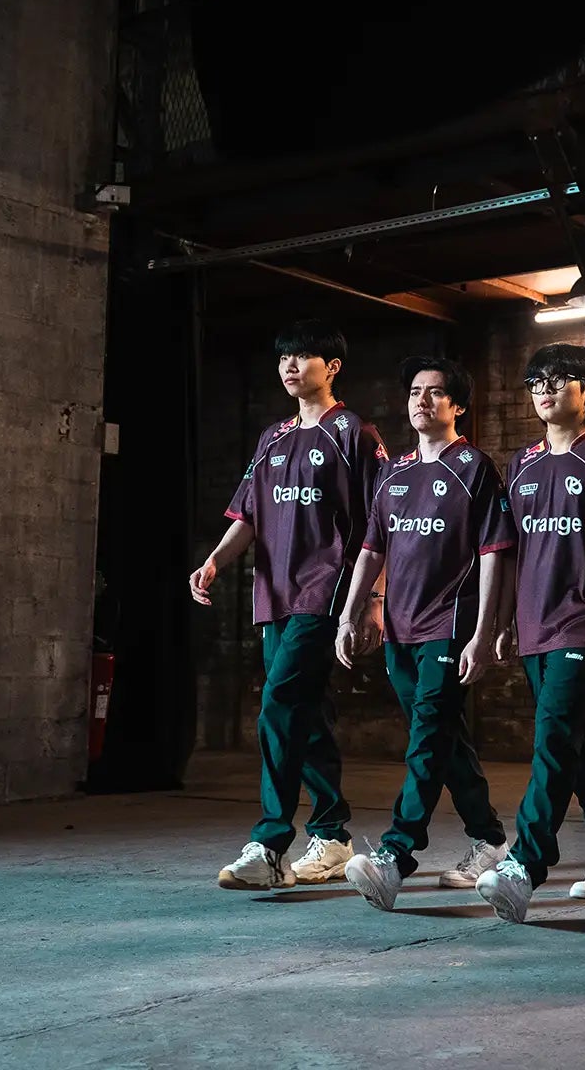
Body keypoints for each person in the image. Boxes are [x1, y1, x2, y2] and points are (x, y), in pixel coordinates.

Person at [193, 320, 386, 890]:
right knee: (307, 710)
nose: (291, 366)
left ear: (333, 367)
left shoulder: (354, 433)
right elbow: (248, 514)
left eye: (304, 357)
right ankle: (331, 833)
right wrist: (215, 561)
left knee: (278, 703)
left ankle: (269, 843)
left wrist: (373, 600)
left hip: (326, 592)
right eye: (284, 358)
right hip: (273, 595)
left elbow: (382, 524)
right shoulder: (272, 438)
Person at [475, 343, 585, 923]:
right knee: (577, 743)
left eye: (557, 380)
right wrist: (502, 622)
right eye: (536, 383)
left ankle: (524, 865)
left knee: (553, 737)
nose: (544, 391)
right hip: (534, 624)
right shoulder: (521, 465)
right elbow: (508, 552)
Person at [337, 356, 516, 911]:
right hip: (400, 628)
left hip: (450, 625)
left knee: (427, 738)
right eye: (416, 391)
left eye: (436, 392)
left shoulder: (474, 468)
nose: (422, 400)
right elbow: (372, 550)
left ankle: (396, 856)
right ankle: (489, 838)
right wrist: (350, 614)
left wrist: (485, 632)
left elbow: (495, 554)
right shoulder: (394, 473)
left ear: (457, 405)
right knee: (442, 737)